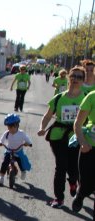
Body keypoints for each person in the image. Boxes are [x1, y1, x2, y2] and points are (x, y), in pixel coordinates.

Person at [37, 66, 86, 208]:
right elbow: (47, 116)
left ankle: (73, 181)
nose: (76, 79)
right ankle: (59, 198)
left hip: (77, 137)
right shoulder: (58, 98)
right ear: (69, 77)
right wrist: (42, 128)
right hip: (58, 136)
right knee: (60, 166)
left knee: (74, 166)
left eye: (79, 77)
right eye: (74, 76)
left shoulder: (85, 98)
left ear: (83, 80)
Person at [72, 89, 95, 221]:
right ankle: (80, 195)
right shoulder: (92, 96)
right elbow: (78, 124)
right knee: (86, 184)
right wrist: (82, 142)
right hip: (90, 148)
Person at [0, 113, 32, 186]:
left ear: (16, 125)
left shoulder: (21, 133)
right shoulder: (7, 133)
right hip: (9, 150)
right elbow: (1, 140)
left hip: (18, 151)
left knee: (21, 161)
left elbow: (28, 140)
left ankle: (23, 171)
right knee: (5, 163)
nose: (9, 129)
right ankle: (1, 177)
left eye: (11, 127)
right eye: (8, 127)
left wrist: (28, 143)